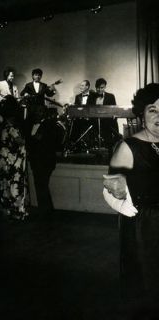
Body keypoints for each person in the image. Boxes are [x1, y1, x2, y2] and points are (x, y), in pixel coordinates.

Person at [103, 83, 159, 313]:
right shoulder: (129, 147)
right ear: (142, 113)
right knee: (145, 286)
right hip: (143, 227)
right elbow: (109, 186)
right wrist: (120, 200)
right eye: (153, 110)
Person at [0, 95, 30, 220]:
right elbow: (21, 142)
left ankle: (7, 210)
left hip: (4, 158)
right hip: (13, 160)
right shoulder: (12, 128)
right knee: (15, 185)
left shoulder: (3, 126)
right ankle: (17, 211)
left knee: (5, 184)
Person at [28, 106, 65, 216]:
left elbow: (40, 140)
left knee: (41, 185)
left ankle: (45, 211)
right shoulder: (50, 125)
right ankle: (46, 210)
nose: (37, 114)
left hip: (43, 160)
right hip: (43, 160)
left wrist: (30, 140)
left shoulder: (47, 125)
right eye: (36, 111)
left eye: (39, 111)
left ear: (44, 113)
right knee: (42, 185)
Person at [94, 78, 119, 149]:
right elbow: (88, 108)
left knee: (111, 124)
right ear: (95, 87)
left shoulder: (111, 96)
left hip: (107, 120)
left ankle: (110, 146)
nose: (99, 89)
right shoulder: (92, 96)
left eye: (102, 88)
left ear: (105, 87)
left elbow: (114, 109)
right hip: (94, 120)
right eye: (98, 88)